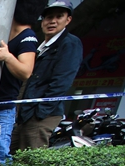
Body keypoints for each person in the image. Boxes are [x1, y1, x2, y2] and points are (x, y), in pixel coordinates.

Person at [12, 0, 83, 151]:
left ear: (68, 19)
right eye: (49, 17)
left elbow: (61, 82)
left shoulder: (70, 43)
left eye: (59, 16)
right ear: (42, 20)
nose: (53, 21)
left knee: (30, 160)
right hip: (25, 112)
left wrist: (41, 112)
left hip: (41, 115)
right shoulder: (41, 46)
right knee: (12, 155)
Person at [0, 0, 39, 165]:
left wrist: (7, 57)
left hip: (2, 109)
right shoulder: (4, 35)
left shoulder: (27, 37)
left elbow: (26, 72)